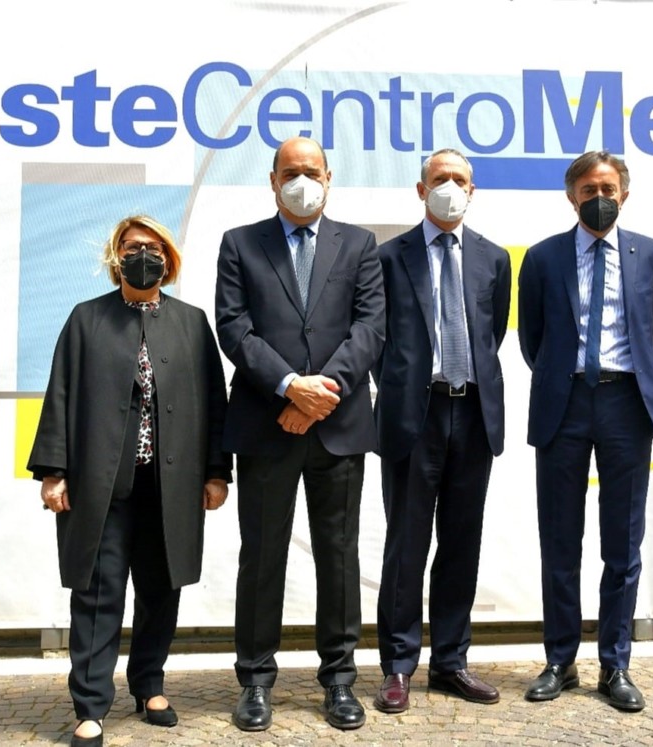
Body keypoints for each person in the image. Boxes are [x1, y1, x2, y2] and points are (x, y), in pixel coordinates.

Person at [28, 214, 232, 746]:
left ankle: (149, 685)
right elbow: (60, 394)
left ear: (169, 259)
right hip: (101, 486)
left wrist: (217, 472)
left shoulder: (192, 323)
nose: (145, 255)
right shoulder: (86, 319)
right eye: (133, 246)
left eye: (155, 247)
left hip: (172, 485)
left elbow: (215, 403)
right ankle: (91, 705)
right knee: (97, 594)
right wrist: (53, 472)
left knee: (161, 588)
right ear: (116, 257)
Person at [214, 136, 384, 732]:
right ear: (272, 180)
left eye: (311, 171)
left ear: (329, 178)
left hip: (338, 427)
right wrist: (289, 387)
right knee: (262, 556)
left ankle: (339, 679)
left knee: (338, 556)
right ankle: (255, 680)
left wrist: (317, 397)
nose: (301, 181)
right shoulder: (240, 243)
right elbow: (234, 328)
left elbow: (370, 328)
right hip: (267, 424)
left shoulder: (360, 244)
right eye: (290, 172)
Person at [517, 151, 653, 713]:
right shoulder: (542, 257)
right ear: (572, 196)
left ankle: (615, 664)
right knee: (560, 541)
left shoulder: (651, 254)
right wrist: (566, 380)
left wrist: (626, 380)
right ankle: (560, 660)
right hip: (562, 406)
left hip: (626, 406)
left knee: (622, 543)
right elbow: (532, 340)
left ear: (624, 194)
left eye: (608, 188)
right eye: (588, 189)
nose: (599, 197)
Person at [371, 149, 511, 714]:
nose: (449, 187)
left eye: (459, 180)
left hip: (473, 413)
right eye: (439, 179)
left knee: (461, 543)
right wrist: (403, 387)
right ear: (420, 189)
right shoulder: (387, 257)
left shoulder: (493, 258)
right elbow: (376, 339)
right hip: (414, 416)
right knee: (406, 545)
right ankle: (398, 665)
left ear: (472, 191)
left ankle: (451, 661)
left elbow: (492, 334)